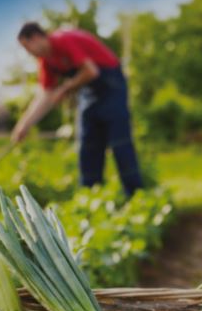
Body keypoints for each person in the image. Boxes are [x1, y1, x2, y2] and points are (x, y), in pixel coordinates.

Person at [12, 22, 143, 196]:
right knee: (88, 146)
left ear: (36, 37)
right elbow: (44, 96)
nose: (28, 53)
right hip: (88, 93)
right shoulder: (46, 62)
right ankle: (90, 199)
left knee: (120, 144)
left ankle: (135, 196)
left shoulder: (63, 40)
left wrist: (65, 88)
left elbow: (91, 71)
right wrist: (24, 126)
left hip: (112, 87)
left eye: (27, 47)